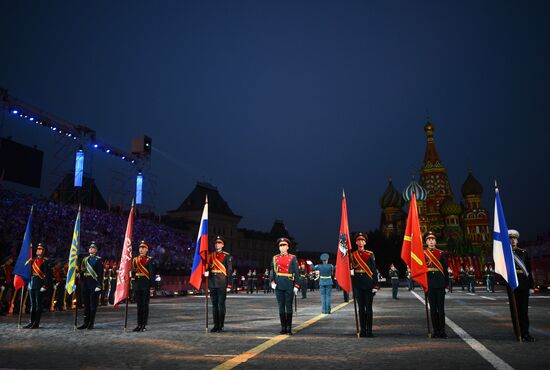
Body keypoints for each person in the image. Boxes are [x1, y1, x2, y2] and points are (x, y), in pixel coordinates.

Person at [506, 229, 535, 342]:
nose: (513, 241)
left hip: (523, 285)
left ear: (517, 241)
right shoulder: (504, 254)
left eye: (514, 239)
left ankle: (525, 333)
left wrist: (531, 286)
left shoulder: (523, 253)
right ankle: (517, 332)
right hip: (512, 285)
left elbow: (529, 270)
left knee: (523, 310)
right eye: (510, 239)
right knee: (515, 310)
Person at [350, 233, 379, 337]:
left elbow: (374, 270)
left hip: (368, 283)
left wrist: (375, 285)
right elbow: (351, 268)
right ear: (356, 242)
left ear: (365, 242)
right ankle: (363, 330)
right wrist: (351, 272)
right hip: (358, 284)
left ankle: (370, 330)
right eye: (358, 240)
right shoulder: (353, 254)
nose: (360, 242)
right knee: (361, 309)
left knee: (369, 308)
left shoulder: (370, 254)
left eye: (362, 240)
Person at [270, 237, 300, 335]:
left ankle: (289, 327)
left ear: (288, 247)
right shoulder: (275, 258)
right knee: (281, 306)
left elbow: (296, 272)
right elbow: (272, 271)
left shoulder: (292, 257)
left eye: (284, 245)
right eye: (281, 246)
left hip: (289, 284)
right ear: (279, 248)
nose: (282, 247)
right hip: (278, 284)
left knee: (289, 306)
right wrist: (272, 282)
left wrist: (296, 285)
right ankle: (283, 327)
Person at [423, 231, 449, 339]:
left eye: (433, 239)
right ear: (426, 242)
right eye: (429, 239)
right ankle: (435, 331)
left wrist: (446, 285)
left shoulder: (441, 253)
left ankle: (442, 331)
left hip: (440, 284)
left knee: (441, 309)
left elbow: (445, 271)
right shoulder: (423, 254)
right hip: (430, 284)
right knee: (433, 309)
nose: (431, 241)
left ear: (435, 241)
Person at [205, 236, 232, 332]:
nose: (217, 245)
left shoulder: (226, 256)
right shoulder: (211, 255)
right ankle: (215, 325)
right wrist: (206, 272)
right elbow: (207, 267)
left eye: (219, 243)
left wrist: (229, 284)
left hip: (222, 282)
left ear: (223, 245)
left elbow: (229, 271)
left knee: (221, 304)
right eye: (216, 243)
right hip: (212, 282)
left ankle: (221, 325)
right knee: (214, 305)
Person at [23, 244, 52, 328]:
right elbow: (28, 271)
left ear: (44, 251)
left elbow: (48, 275)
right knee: (33, 305)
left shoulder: (45, 261)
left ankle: (36, 323)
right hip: (32, 284)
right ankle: (31, 321)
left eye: (41, 249)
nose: (38, 250)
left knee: (38, 305)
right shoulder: (32, 260)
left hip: (40, 284)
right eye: (38, 249)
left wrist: (45, 285)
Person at [78, 241, 103, 330]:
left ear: (96, 250)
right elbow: (82, 271)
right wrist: (79, 275)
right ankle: (85, 322)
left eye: (93, 248)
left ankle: (91, 323)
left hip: (93, 284)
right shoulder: (85, 259)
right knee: (86, 304)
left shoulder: (98, 260)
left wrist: (99, 285)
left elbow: (100, 274)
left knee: (93, 305)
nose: (90, 249)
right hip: (85, 283)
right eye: (90, 248)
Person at [132, 240, 155, 332]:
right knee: (139, 306)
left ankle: (144, 325)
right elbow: (133, 274)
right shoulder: (135, 260)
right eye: (140, 248)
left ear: (147, 250)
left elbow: (152, 274)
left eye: (143, 248)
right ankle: (138, 324)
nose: (141, 250)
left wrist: (152, 286)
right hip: (137, 285)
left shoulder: (150, 260)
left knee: (145, 305)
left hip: (146, 285)